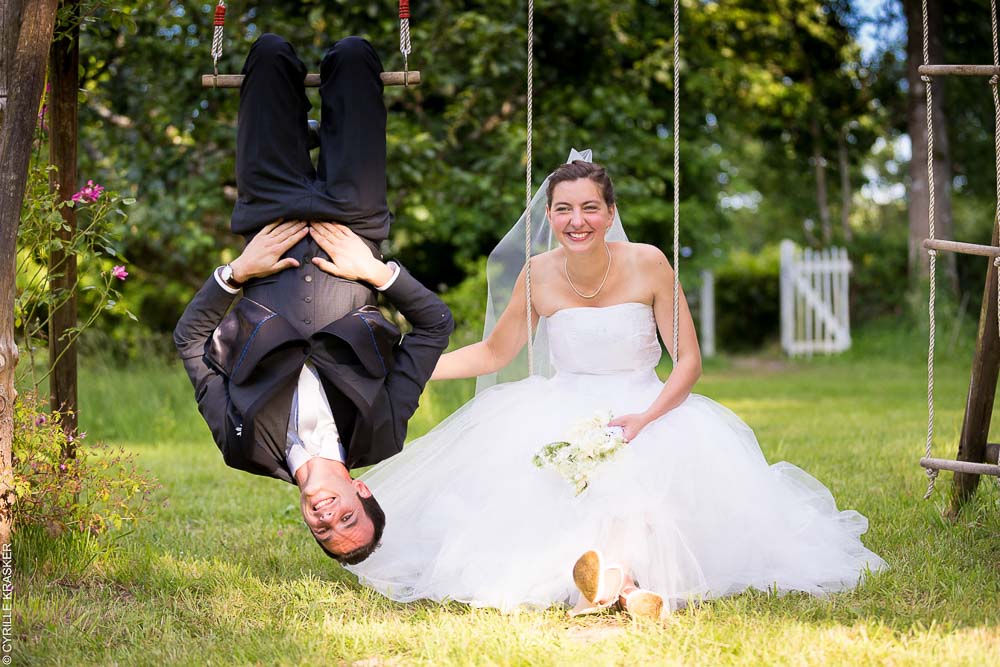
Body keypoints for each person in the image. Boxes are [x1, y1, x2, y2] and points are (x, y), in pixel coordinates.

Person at [346, 156, 886, 617]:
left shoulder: (649, 262)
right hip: (562, 404)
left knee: (639, 480)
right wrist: (413, 368)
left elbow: (689, 363)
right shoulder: (537, 274)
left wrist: (647, 419)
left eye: (589, 208)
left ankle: (613, 580)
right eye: (563, 209)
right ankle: (617, 586)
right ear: (549, 215)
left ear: (610, 214)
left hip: (649, 405)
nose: (576, 221)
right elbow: (494, 352)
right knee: (545, 485)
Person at [174, 33, 454, 565]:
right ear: (363, 492)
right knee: (353, 56)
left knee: (271, 53)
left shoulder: (243, 447)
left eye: (323, 530)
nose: (327, 516)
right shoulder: (383, 433)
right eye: (346, 517)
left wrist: (235, 273)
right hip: (355, 215)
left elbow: (189, 342)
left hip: (267, 213)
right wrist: (377, 272)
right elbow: (436, 325)